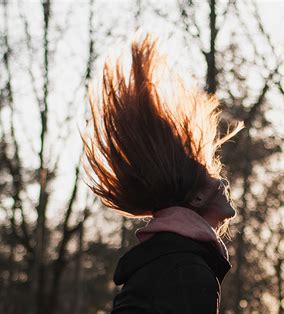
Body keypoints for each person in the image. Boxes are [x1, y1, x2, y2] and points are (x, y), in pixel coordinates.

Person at [82, 34, 243, 314]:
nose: (223, 183)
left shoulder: (170, 261)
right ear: (196, 199)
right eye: (212, 178)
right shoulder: (187, 269)